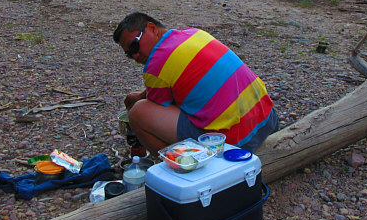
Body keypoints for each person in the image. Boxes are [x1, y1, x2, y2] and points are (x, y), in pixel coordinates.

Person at [113, 12, 278, 155]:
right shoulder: (193, 33)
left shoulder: (155, 64)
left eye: (134, 46)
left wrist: (141, 137)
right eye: (129, 54)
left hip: (234, 143)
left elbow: (158, 107)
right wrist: (141, 95)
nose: (135, 56)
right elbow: (178, 80)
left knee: (138, 114)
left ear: (152, 28)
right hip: (267, 120)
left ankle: (178, 166)